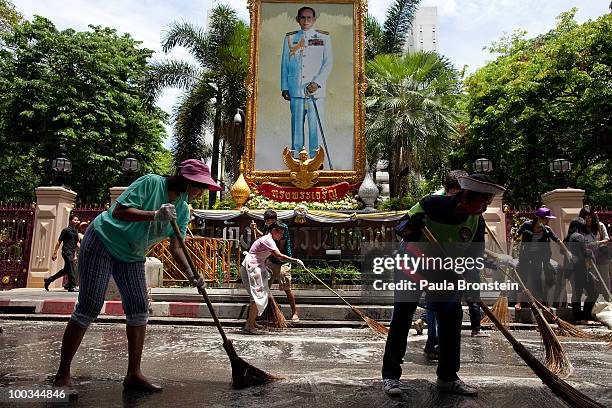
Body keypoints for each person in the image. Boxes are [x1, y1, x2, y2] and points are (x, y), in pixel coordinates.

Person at [52, 159, 220, 392]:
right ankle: (62, 374)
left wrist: (192, 273)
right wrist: (154, 214)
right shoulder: (151, 183)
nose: (201, 193)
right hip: (103, 241)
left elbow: (177, 246)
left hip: (131, 253)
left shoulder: (182, 209)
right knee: (90, 306)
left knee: (139, 308)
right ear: (186, 180)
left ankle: (134, 374)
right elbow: (119, 211)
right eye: (199, 186)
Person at [382, 174, 505, 397]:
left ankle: (447, 378)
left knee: (452, 317)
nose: (484, 209)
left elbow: (474, 257)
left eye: (488, 204)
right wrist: (413, 227)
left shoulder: (477, 221)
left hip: (444, 270)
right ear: (466, 196)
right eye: (482, 203)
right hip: (413, 264)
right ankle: (391, 376)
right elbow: (400, 228)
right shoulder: (432, 204)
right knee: (403, 315)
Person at [281, 6, 333, 159]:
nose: (305, 21)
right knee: (296, 126)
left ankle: (315, 160)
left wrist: (317, 83)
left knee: (314, 126)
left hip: (315, 91)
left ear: (314, 19)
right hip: (295, 88)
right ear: (298, 19)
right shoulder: (290, 38)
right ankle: (296, 159)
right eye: (302, 17)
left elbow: (328, 63)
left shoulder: (323, 38)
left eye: (309, 17)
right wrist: (285, 86)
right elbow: (284, 63)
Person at [242, 221, 304, 334]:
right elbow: (279, 256)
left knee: (258, 297)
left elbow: (259, 255)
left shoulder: (269, 239)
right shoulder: (268, 240)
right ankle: (249, 326)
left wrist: (265, 268)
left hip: (255, 267)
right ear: (274, 231)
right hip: (251, 268)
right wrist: (295, 261)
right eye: (279, 233)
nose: (281, 236)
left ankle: (252, 322)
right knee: (257, 298)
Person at [514, 207, 572, 309]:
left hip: (538, 257)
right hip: (525, 256)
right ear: (539, 218)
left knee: (537, 278)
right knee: (522, 277)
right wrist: (514, 237)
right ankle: (518, 302)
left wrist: (567, 252)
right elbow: (517, 235)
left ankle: (539, 301)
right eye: (547, 219)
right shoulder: (526, 225)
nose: (548, 221)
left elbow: (557, 240)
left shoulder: (547, 230)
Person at [251, 210, 300, 322]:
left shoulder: (282, 228)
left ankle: (294, 312)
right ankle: (263, 312)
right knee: (264, 286)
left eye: (272, 220)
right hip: (271, 259)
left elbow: (279, 250)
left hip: (283, 259)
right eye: (268, 221)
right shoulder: (267, 228)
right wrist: (255, 229)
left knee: (286, 286)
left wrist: (294, 261)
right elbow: (264, 238)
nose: (270, 222)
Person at [565, 217, 599, 323]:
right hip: (581, 269)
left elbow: (564, 253)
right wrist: (589, 252)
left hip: (571, 270)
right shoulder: (579, 236)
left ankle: (578, 317)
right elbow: (585, 252)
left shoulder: (567, 237)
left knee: (577, 293)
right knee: (593, 292)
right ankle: (585, 315)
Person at [579, 207, 611, 301]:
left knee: (605, 280)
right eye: (585, 217)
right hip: (589, 259)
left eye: (589, 216)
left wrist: (597, 243)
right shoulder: (580, 229)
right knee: (593, 281)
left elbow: (607, 239)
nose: (588, 219)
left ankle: (607, 301)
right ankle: (595, 303)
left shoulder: (599, 225)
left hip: (602, 257)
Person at [44, 213, 80, 292]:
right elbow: (59, 241)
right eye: (74, 220)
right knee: (71, 268)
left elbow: (77, 242)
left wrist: (81, 248)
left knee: (66, 270)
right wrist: (55, 252)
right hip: (66, 251)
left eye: (77, 220)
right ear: (70, 221)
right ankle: (72, 286)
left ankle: (49, 280)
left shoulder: (75, 231)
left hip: (72, 252)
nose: (76, 221)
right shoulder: (66, 230)